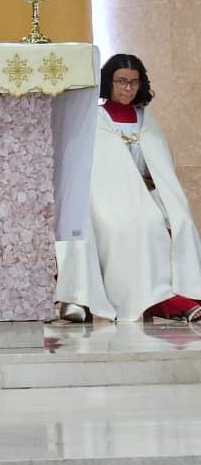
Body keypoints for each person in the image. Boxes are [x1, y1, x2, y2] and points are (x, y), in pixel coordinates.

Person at [56, 54, 201, 324]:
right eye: (121, 81)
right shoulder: (95, 118)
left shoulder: (147, 120)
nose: (127, 89)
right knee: (134, 225)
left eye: (134, 83)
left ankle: (180, 290)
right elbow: (89, 166)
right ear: (108, 82)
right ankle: (154, 300)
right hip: (103, 197)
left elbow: (158, 168)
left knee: (178, 219)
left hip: (144, 193)